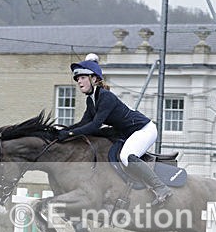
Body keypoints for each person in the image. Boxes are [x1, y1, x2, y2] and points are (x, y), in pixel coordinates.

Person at [58, 54, 172, 205]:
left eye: (82, 77)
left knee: (126, 156)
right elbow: (83, 123)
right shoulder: (91, 100)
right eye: (77, 79)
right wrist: (61, 130)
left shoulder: (105, 97)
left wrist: (70, 133)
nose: (79, 81)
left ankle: (161, 188)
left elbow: (94, 125)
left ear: (94, 79)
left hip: (144, 129)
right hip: (128, 133)